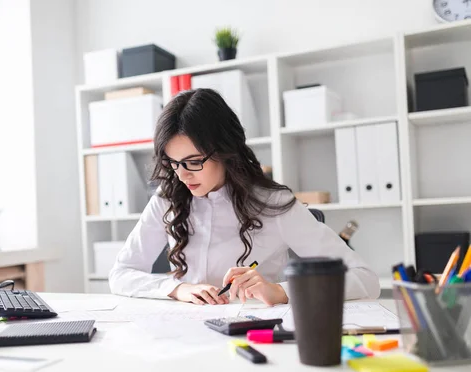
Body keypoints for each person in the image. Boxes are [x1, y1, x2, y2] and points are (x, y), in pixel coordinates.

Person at [108, 89, 380, 305]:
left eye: (193, 162)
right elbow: (121, 275)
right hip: (185, 335)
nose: (181, 175)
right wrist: (178, 288)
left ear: (225, 151)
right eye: (173, 163)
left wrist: (280, 291)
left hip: (253, 335)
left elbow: (366, 280)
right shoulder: (168, 198)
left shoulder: (274, 205)